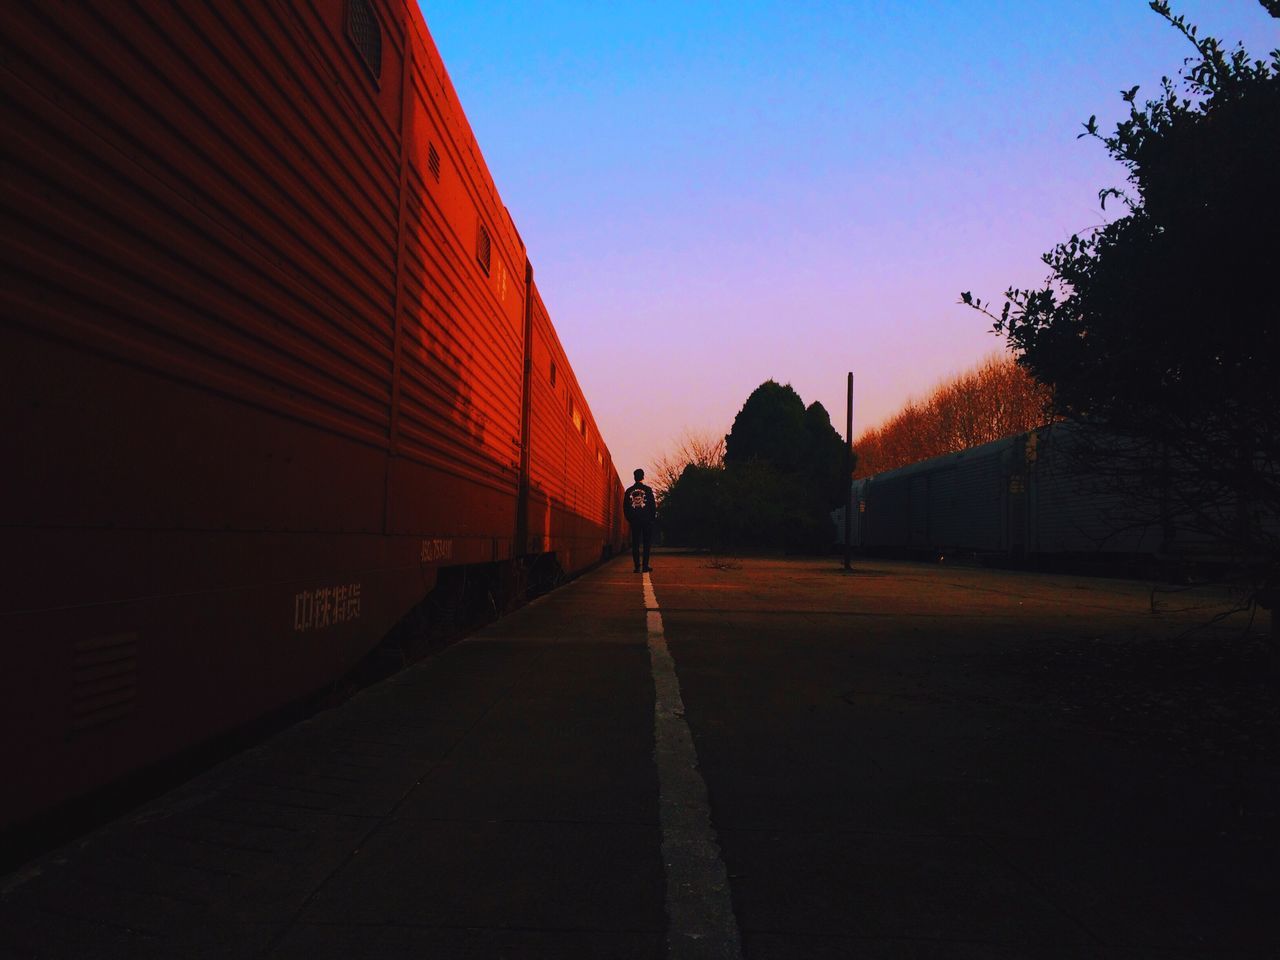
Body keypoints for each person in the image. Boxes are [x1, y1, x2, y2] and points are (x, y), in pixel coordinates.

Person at [623, 468, 656, 573]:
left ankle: (637, 566)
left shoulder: (628, 491)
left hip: (635, 521)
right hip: (646, 520)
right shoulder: (648, 490)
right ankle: (645, 566)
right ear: (643, 477)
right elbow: (652, 505)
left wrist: (630, 519)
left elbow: (625, 507)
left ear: (634, 477)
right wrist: (651, 518)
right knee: (646, 543)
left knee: (635, 543)